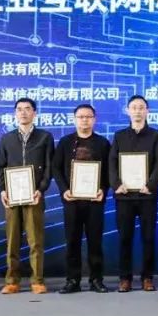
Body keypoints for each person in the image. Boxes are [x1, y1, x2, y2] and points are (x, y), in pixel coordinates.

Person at [108, 94, 158, 293]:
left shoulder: (157, 136)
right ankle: (125, 278)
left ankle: (147, 277)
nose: (137, 111)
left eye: (141, 107)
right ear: (128, 111)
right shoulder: (119, 136)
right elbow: (112, 162)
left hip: (147, 196)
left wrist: (151, 184)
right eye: (134, 107)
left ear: (147, 111)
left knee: (148, 238)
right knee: (124, 238)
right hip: (124, 195)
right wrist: (116, 184)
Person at [0, 97, 55, 294]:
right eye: (19, 109)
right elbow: (0, 167)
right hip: (12, 196)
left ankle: (37, 280)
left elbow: (49, 167)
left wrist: (41, 189)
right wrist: (2, 190)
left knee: (35, 241)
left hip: (34, 195)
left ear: (34, 113)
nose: (23, 112)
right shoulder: (7, 138)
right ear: (15, 114)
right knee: (12, 240)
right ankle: (12, 280)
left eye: (27, 109)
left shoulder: (45, 137)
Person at [53, 104, 111, 294]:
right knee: (72, 241)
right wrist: (64, 190)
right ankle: (73, 280)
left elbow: (110, 171)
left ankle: (96, 280)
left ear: (94, 119)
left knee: (95, 242)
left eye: (88, 117)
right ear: (74, 119)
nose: (84, 120)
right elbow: (56, 168)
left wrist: (103, 189)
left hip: (95, 201)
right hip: (72, 200)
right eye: (81, 117)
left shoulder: (103, 143)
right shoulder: (65, 142)